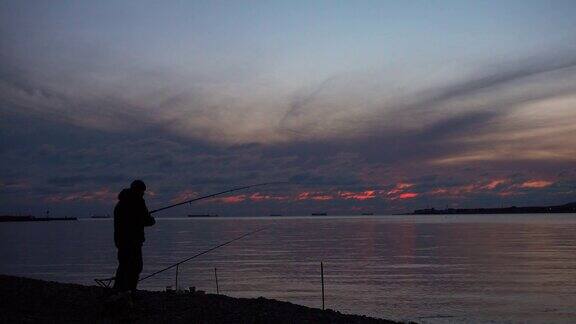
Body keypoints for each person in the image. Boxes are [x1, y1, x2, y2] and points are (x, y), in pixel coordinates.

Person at [113, 180, 156, 292]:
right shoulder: (138, 202)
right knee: (136, 267)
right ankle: (130, 291)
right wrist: (151, 219)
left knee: (123, 265)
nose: (143, 194)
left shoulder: (120, 204)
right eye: (142, 192)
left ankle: (118, 290)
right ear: (138, 190)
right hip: (134, 241)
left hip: (120, 241)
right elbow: (147, 220)